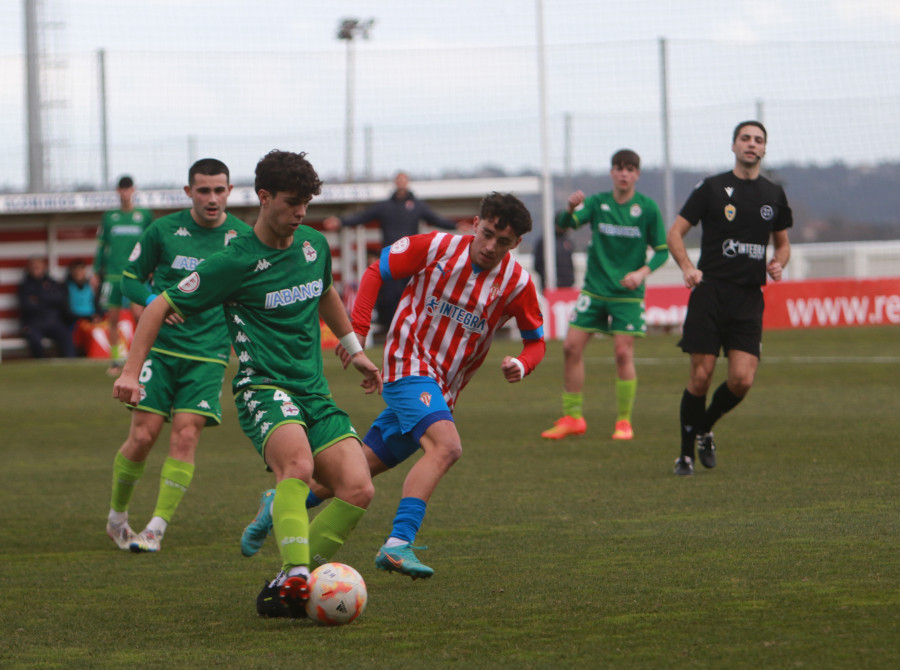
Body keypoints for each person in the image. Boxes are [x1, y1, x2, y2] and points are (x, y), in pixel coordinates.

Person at [113, 150, 382, 619]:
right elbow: (157, 306)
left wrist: (354, 348)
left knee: (359, 489)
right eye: (293, 202)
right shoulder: (233, 261)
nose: (301, 213)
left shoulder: (313, 245)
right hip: (263, 388)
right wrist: (130, 373)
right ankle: (298, 572)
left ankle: (289, 579)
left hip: (314, 391)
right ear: (264, 197)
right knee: (296, 467)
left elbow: (325, 292)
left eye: (307, 204)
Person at [241, 192, 545, 580]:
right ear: (475, 223)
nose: (490, 246)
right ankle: (398, 542)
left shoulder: (517, 282)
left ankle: (281, 512)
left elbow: (537, 341)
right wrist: (359, 333)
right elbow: (375, 271)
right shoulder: (436, 247)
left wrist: (522, 362)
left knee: (357, 474)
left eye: (502, 242)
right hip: (407, 366)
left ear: (516, 243)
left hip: (443, 390)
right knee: (447, 447)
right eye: (486, 234)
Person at [104, 159, 253, 554]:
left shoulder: (243, 237)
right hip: (162, 350)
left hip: (208, 354)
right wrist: (155, 302)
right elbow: (129, 280)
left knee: (186, 434)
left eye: (219, 190)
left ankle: (156, 527)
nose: (212, 198)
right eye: (203, 190)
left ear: (230, 191)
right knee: (142, 436)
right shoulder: (163, 230)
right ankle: (117, 516)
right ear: (189, 192)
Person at [667, 121, 792, 476]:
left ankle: (705, 427)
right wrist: (688, 267)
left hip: (749, 298)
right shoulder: (711, 188)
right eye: (745, 138)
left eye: (758, 140)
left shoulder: (773, 194)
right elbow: (675, 233)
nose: (751, 144)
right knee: (701, 377)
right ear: (734, 145)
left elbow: (782, 245)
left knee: (742, 380)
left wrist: (778, 263)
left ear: (764, 149)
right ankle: (685, 455)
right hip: (710, 294)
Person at [541, 149, 668, 442]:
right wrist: (571, 208)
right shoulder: (598, 203)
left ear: (637, 174)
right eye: (619, 168)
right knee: (571, 348)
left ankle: (623, 421)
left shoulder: (647, 208)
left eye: (630, 169)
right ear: (612, 172)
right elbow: (565, 224)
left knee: (623, 353)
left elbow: (662, 252)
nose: (624, 174)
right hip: (594, 290)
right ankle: (572, 418)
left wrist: (641, 273)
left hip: (627, 293)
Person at [322, 171, 470, 332]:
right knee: (388, 295)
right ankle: (389, 327)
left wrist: (455, 226)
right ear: (395, 182)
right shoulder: (384, 206)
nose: (401, 182)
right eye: (398, 180)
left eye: (403, 179)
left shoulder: (418, 206)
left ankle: (411, 327)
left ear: (407, 182)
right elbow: (362, 217)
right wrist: (340, 222)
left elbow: (436, 219)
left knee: (412, 292)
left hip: (413, 257)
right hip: (391, 257)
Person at [93, 175, 154, 374]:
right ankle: (115, 360)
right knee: (112, 318)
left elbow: (151, 244)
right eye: (122, 189)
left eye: (129, 189)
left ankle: (142, 358)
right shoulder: (109, 217)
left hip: (136, 273)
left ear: (133, 190)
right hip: (112, 275)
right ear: (118, 192)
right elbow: (102, 246)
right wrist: (96, 271)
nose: (126, 193)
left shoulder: (143, 215)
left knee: (139, 315)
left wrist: (152, 267)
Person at [17, 256, 76, 358]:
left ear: (44, 267)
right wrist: (48, 297)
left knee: (66, 336)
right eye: (33, 266)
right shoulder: (25, 286)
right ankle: (40, 365)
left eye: (38, 265)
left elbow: (60, 299)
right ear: (29, 268)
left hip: (53, 322)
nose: (36, 268)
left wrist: (39, 298)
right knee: (35, 340)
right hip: (34, 323)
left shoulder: (53, 283)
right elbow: (27, 306)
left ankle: (70, 363)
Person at [66, 259, 101, 356]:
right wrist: (87, 318)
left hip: (92, 319)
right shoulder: (67, 287)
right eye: (76, 270)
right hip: (76, 321)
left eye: (81, 270)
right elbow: (66, 310)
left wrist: (97, 316)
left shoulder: (91, 286)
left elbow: (98, 303)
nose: (79, 273)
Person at [532, 227, 576, 291]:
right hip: (550, 287)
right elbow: (538, 265)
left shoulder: (567, 242)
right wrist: (547, 278)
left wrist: (571, 280)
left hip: (567, 286)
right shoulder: (544, 242)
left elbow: (570, 263)